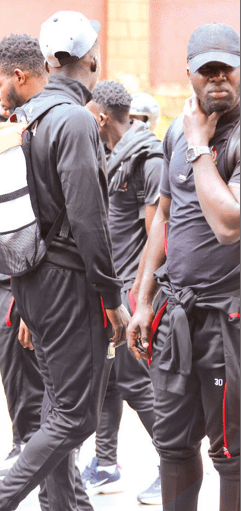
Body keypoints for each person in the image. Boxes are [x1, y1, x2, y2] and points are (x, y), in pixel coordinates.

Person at [0, 12, 129, 511]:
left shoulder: (22, 119)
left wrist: (24, 300)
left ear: (47, 62)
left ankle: (66, 506)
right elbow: (90, 221)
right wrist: (112, 299)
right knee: (75, 417)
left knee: (56, 404)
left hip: (30, 280)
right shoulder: (75, 119)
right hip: (68, 282)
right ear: (93, 60)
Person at [127, 23, 240, 511]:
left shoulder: (208, 136)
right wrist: (142, 300)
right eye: (206, 71)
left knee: (231, 455)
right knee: (172, 444)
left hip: (228, 320)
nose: (217, 79)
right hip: (175, 316)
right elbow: (164, 220)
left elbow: (229, 224)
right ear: (189, 75)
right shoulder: (176, 129)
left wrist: (198, 145)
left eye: (226, 69)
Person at [82, 80, 162, 503]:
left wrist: (141, 299)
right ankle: (106, 464)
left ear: (100, 117)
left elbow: (157, 235)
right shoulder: (113, 154)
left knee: (135, 382)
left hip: (134, 290)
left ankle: (173, 462)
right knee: (110, 381)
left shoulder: (148, 158)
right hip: (112, 288)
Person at [0, 33, 47, 483]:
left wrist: (29, 300)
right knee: (14, 370)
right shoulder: (13, 125)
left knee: (33, 375)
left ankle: (32, 448)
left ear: (19, 77)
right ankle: (25, 442)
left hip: (34, 282)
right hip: (9, 282)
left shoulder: (43, 131)